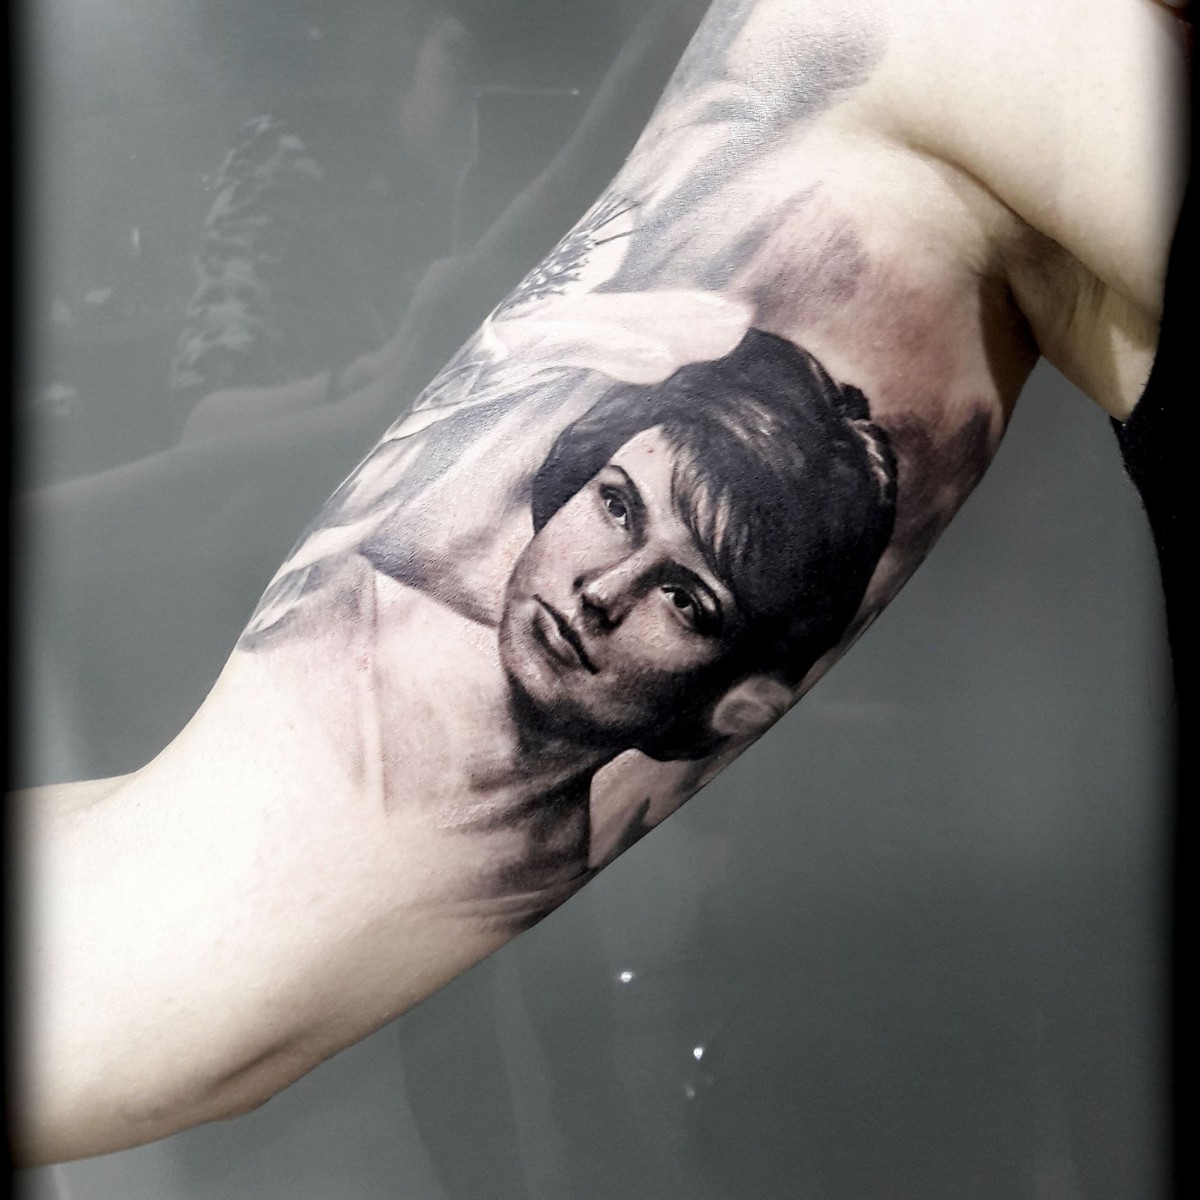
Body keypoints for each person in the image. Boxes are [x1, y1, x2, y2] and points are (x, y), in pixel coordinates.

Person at [13, 0, 1188, 1178]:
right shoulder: (971, 49)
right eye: (618, 507)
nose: (606, 591)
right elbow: (144, 971)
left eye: (690, 600)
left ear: (738, 691)